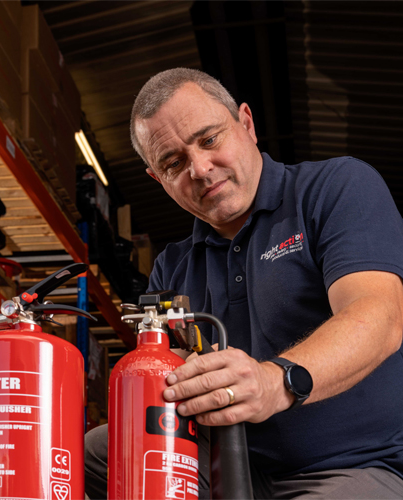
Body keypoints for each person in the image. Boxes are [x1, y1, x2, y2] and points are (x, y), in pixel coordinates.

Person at [85, 68, 403, 499]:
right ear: (158, 180)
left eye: (210, 139)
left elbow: (379, 316)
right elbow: (165, 379)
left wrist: (277, 381)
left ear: (247, 124)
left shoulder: (335, 188)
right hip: (227, 467)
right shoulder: (173, 267)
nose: (199, 168)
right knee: (89, 452)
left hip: (353, 467)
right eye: (174, 163)